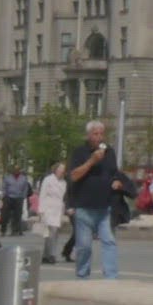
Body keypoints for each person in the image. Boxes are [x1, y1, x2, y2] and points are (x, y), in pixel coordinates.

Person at [67, 119, 122, 279]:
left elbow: (114, 172)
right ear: (88, 135)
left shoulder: (109, 152)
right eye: (95, 134)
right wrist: (92, 161)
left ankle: (111, 277)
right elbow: (73, 176)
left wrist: (117, 181)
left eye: (101, 134)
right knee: (84, 246)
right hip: (84, 207)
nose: (99, 137)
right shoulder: (80, 152)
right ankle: (82, 276)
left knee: (109, 241)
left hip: (104, 207)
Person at [35, 161, 67, 264]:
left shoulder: (64, 182)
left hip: (58, 209)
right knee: (51, 233)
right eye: (60, 168)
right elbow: (42, 194)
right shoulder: (48, 179)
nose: (62, 171)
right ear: (56, 169)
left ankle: (45, 255)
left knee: (54, 233)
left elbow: (63, 198)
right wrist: (40, 210)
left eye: (63, 169)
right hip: (48, 209)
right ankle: (52, 254)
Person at [0, 166, 31, 237]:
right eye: (15, 169)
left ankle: (15, 230)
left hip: (19, 198)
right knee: (5, 215)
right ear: (12, 170)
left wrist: (23, 196)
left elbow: (25, 188)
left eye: (18, 169)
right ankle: (3, 230)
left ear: (19, 170)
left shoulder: (24, 178)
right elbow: (4, 187)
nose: (16, 171)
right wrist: (3, 196)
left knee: (17, 215)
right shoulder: (7, 177)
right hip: (8, 197)